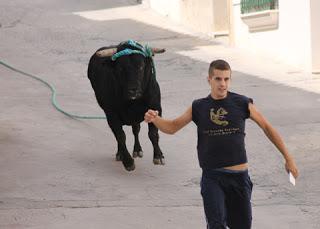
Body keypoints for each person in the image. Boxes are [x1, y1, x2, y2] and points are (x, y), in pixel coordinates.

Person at [144, 59, 299, 229]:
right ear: (209, 79)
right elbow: (173, 127)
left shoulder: (242, 103)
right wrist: (155, 119)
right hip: (212, 177)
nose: (223, 84)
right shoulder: (199, 106)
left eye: (226, 79)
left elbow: (267, 127)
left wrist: (288, 158)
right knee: (216, 224)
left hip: (239, 178)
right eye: (218, 79)